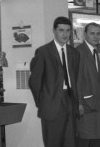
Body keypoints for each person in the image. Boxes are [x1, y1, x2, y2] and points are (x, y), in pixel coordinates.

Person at [29, 16, 80, 147]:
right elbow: (34, 82)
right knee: (53, 142)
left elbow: (75, 78)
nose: (65, 34)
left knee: (71, 142)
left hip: (70, 100)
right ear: (54, 31)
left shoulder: (74, 53)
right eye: (61, 30)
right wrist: (43, 102)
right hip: (51, 103)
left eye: (68, 30)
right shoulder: (43, 52)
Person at [75, 23, 100, 147]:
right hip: (86, 105)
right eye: (92, 33)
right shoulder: (79, 52)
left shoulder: (93, 51)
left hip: (96, 104)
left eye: (98, 33)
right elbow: (76, 79)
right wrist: (79, 102)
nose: (96, 36)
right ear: (84, 34)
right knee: (85, 139)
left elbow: (93, 77)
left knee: (96, 140)